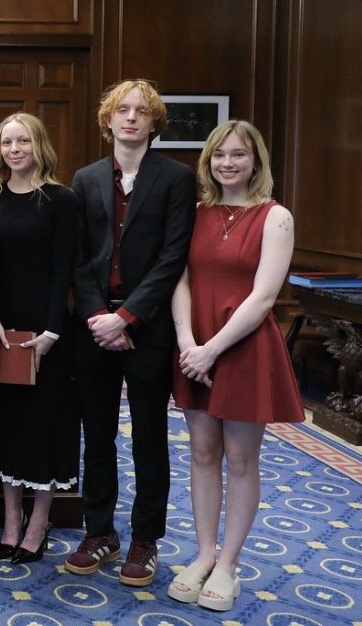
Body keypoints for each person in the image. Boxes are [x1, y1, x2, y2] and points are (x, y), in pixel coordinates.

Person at [166, 121, 303, 612]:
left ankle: (228, 565)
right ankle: (203, 555)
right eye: (219, 155)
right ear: (208, 161)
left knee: (241, 458)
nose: (228, 163)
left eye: (238, 155)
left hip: (242, 347)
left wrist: (212, 349)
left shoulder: (275, 216)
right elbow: (178, 280)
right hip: (194, 344)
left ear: (256, 161)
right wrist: (187, 342)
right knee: (202, 452)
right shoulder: (195, 212)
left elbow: (264, 296)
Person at [67, 79, 196, 587]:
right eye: (123, 109)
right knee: (96, 436)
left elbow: (174, 257)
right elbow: (77, 258)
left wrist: (129, 317)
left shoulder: (177, 179)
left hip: (149, 327)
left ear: (153, 121)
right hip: (94, 327)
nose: (132, 118)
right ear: (109, 119)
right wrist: (101, 316)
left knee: (149, 436)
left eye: (142, 111)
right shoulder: (85, 178)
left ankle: (145, 538)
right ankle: (99, 530)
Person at [0, 113, 81, 564]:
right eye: (7, 142)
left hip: (49, 335)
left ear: (39, 145)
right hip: (3, 330)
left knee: (45, 425)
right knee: (9, 424)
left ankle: (40, 523)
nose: (14, 149)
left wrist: (53, 330)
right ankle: (11, 521)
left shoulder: (61, 200)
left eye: (23, 141)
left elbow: (65, 270)